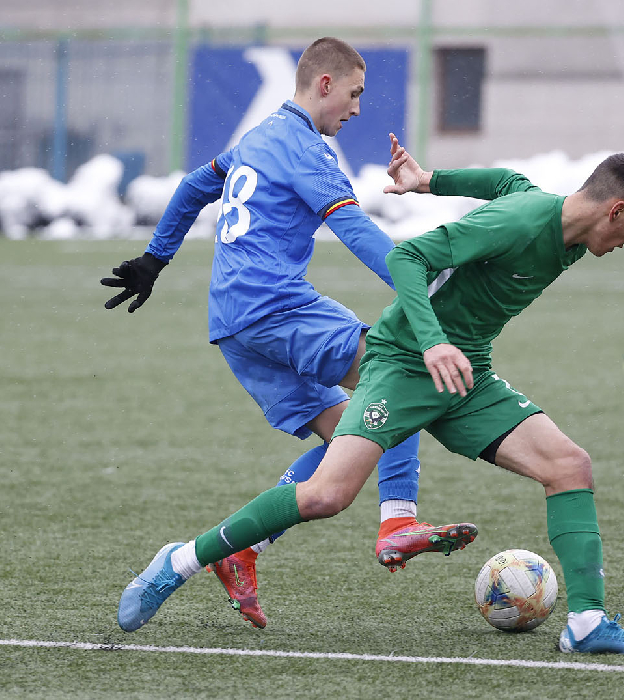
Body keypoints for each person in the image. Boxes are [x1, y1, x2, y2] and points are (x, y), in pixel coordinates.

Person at [117, 144, 624, 656]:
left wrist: (429, 180)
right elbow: (409, 258)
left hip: (465, 375)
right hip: (405, 363)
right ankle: (181, 561)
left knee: (570, 466)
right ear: (615, 210)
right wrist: (432, 342)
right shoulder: (519, 223)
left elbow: (507, 180)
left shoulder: (560, 224)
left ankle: (586, 623)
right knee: (326, 495)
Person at [102, 37, 477, 630]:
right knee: (399, 373)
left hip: (232, 326)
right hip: (274, 308)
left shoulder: (258, 137)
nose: (356, 109)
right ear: (324, 84)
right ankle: (399, 520)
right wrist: (421, 286)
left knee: (348, 445)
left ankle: (207, 555)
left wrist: (155, 258)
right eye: (353, 93)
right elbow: (355, 231)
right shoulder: (305, 148)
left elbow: (196, 186)